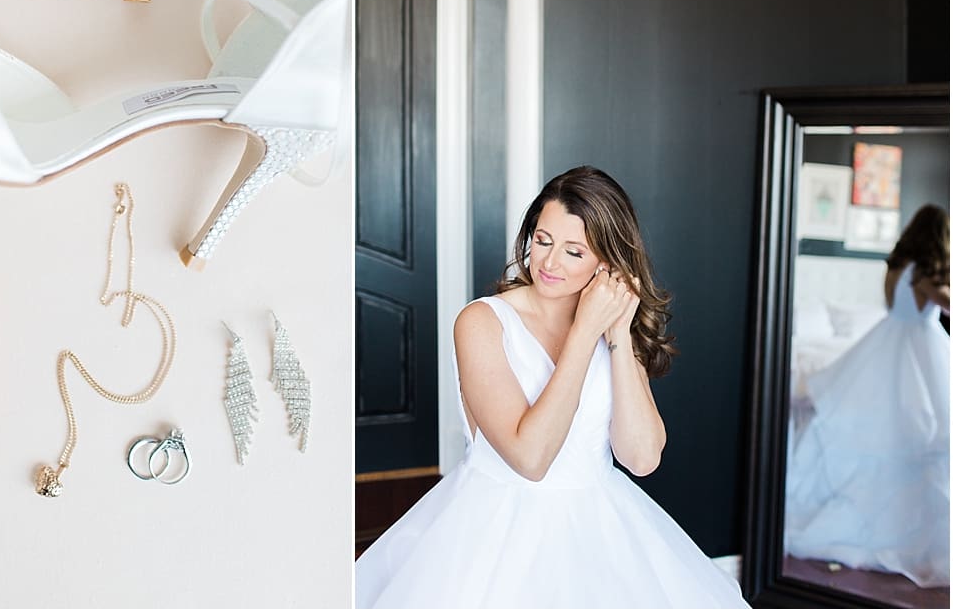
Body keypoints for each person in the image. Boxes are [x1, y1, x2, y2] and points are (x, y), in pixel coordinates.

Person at [355, 166, 749, 608]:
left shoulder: (611, 325)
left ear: (607, 262)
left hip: (603, 529)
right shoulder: (482, 323)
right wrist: (584, 334)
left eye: (573, 251)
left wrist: (618, 333)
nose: (548, 263)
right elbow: (530, 458)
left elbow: (640, 458)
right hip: (495, 536)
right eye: (542, 241)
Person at [785, 204, 950, 588]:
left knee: (896, 440)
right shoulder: (926, 275)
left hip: (889, 346)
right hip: (918, 353)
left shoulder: (896, 267)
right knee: (922, 441)